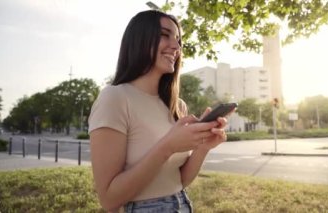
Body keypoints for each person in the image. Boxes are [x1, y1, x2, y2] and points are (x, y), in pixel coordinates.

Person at [88, 10, 232, 213]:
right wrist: (168, 146)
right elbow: (109, 200)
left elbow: (179, 181)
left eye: (178, 40)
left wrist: (203, 147)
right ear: (139, 40)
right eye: (165, 35)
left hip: (182, 204)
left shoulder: (177, 106)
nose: (176, 46)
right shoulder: (114, 98)